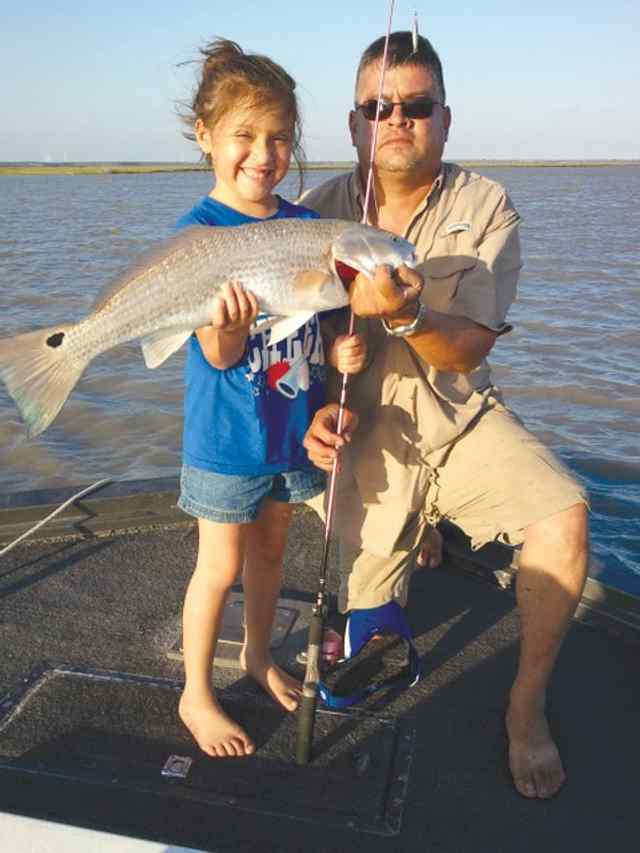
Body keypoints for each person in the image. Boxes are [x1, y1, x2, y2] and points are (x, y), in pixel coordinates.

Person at [301, 31, 589, 799]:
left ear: (445, 118)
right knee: (368, 649)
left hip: (459, 421)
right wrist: (313, 406)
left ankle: (525, 708)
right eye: (378, 106)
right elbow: (288, 348)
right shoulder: (311, 212)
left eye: (417, 104)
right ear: (355, 122)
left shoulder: (487, 205)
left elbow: (466, 348)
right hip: (364, 440)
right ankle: (406, 543)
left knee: (565, 515)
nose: (398, 117)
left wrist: (405, 314)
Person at [174, 39, 366, 759]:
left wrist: (347, 351)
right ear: (206, 138)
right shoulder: (196, 236)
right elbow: (217, 353)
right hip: (226, 439)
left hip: (289, 432)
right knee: (218, 564)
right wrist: (227, 330)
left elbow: (314, 326)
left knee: (272, 552)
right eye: (244, 137)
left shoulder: (304, 228)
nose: (263, 154)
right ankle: (196, 689)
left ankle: (258, 655)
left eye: (279, 138)